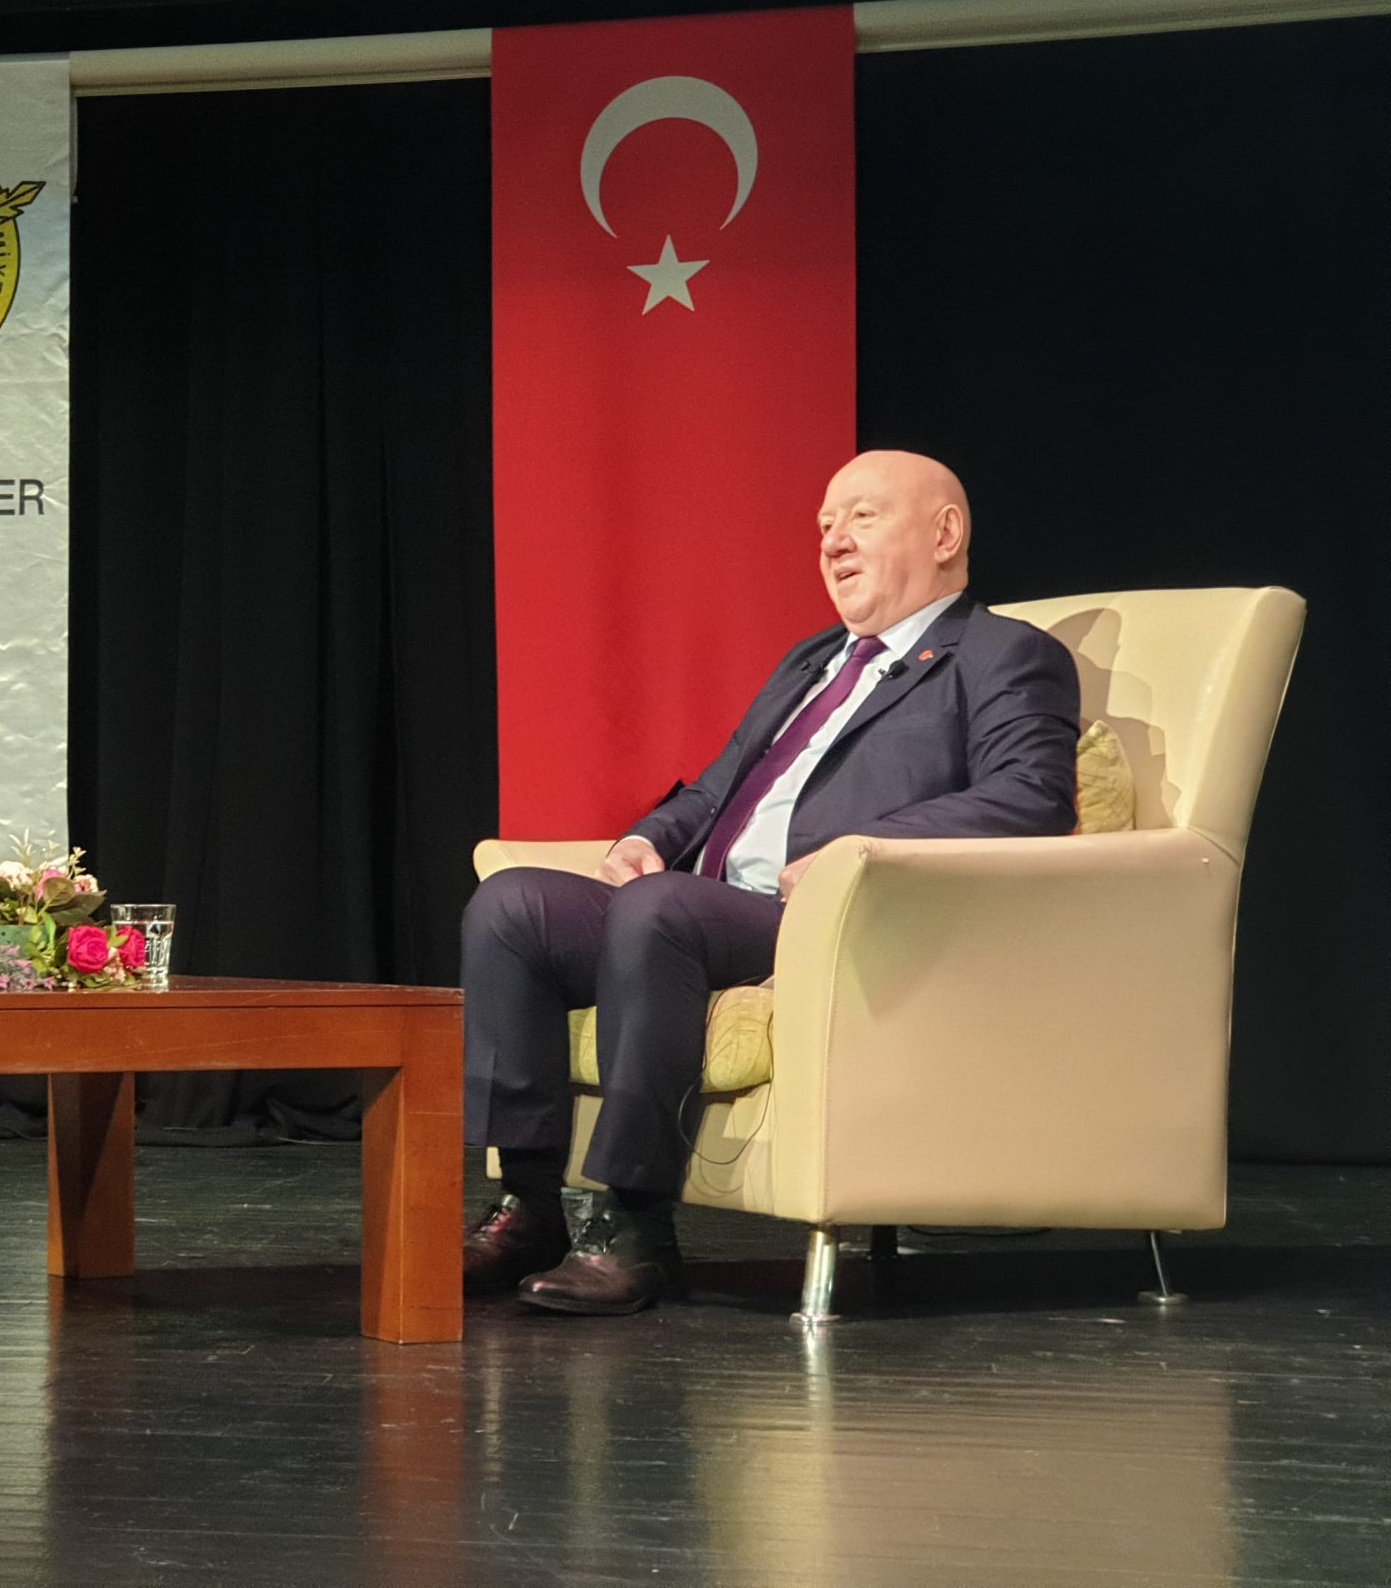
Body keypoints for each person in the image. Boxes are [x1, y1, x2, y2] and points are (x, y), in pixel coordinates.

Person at [462, 451, 1079, 1315]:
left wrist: (860, 847)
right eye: (824, 525)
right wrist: (646, 837)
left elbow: (1033, 796)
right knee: (513, 906)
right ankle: (529, 1207)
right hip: (708, 906)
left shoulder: (1004, 653)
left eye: (861, 517)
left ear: (945, 534)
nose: (833, 541)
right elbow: (717, 789)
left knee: (658, 910)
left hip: (837, 914)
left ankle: (634, 1226)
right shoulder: (812, 661)